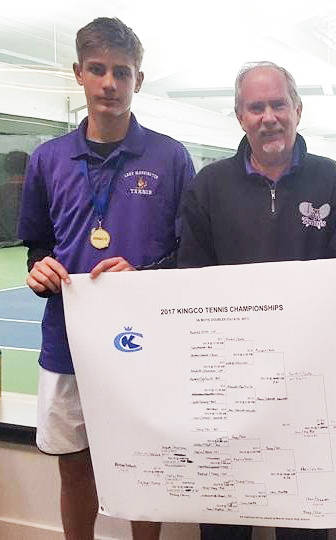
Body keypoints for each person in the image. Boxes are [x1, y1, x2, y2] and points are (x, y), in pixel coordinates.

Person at [17, 17, 195, 540]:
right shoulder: (48, 159)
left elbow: (189, 255)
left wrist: (142, 275)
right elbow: (37, 243)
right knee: (75, 470)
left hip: (145, 345)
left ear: (138, 79)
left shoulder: (170, 157)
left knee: (146, 469)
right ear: (79, 74)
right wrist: (38, 268)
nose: (109, 83)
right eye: (98, 70)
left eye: (122, 71)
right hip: (67, 343)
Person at [177, 61, 336, 540]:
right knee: (225, 524)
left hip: (307, 385)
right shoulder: (209, 186)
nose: (269, 117)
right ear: (240, 117)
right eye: (256, 107)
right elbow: (190, 278)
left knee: (304, 525)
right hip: (230, 387)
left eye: (278, 104)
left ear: (298, 110)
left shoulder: (332, 180)